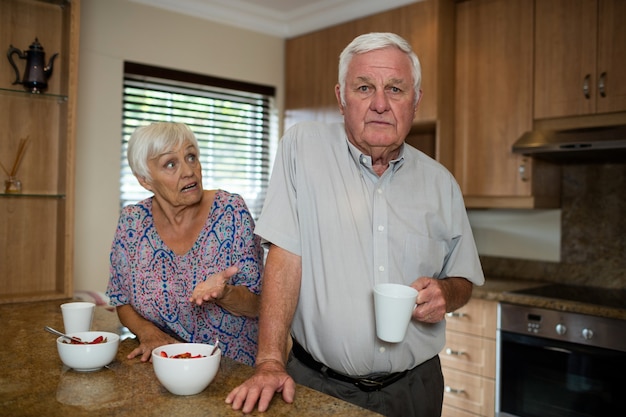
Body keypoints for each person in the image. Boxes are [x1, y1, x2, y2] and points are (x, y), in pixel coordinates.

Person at [225, 32, 484, 416]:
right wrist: (269, 362)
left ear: (415, 101)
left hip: (415, 390)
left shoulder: (440, 183)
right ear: (341, 97)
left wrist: (447, 292)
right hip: (318, 385)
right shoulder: (303, 148)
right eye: (364, 87)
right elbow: (285, 256)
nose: (380, 104)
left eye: (395, 89)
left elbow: (464, 281)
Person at [106, 122, 263, 366]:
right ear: (145, 180)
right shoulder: (132, 222)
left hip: (231, 370)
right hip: (162, 365)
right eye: (171, 164)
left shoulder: (231, 211)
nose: (189, 170)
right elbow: (121, 299)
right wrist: (148, 334)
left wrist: (225, 293)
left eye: (191, 157)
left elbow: (257, 305)